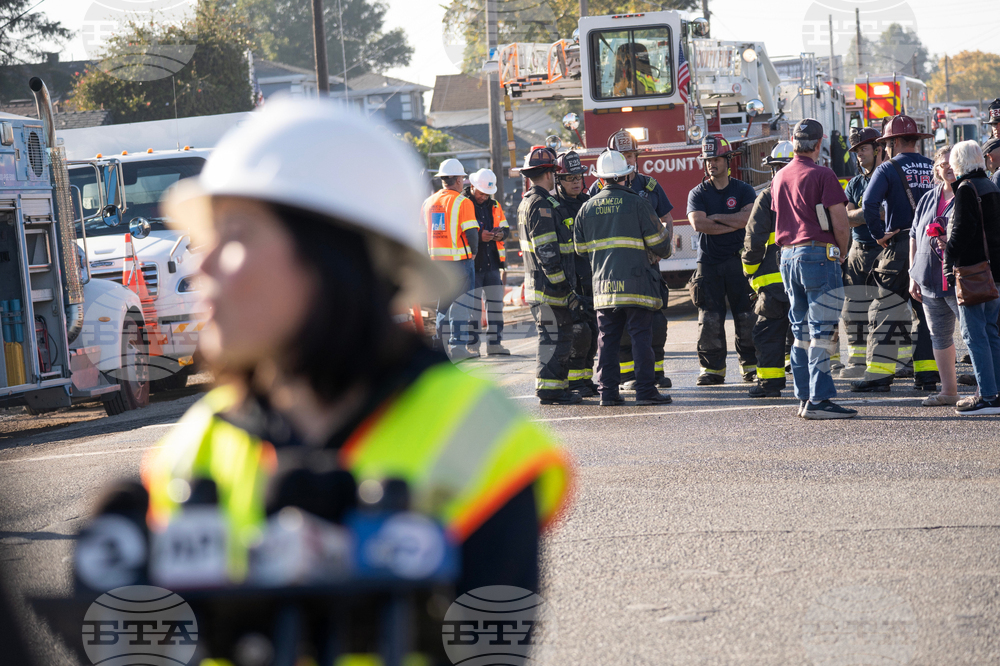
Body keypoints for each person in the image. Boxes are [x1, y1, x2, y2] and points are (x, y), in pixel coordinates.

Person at [141, 100, 572, 658]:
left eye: (237, 235)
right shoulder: (192, 448)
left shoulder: (480, 437)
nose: (201, 265)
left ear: (333, 255)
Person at [770, 118, 857, 419]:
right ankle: (819, 400)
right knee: (822, 330)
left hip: (788, 256)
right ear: (819, 144)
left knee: (800, 331)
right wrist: (842, 253)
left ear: (793, 142)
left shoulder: (779, 177)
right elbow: (841, 223)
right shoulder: (824, 174)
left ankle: (805, 397)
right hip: (818, 255)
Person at [574, 149, 673, 406]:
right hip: (637, 283)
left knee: (606, 340)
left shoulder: (586, 208)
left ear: (601, 178)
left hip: (604, 287)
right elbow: (661, 246)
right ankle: (645, 392)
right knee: (641, 337)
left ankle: (607, 394)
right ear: (626, 175)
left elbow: (580, 250)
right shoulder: (638, 203)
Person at [854, 114, 939, 393]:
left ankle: (879, 376)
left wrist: (879, 235)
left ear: (894, 141)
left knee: (886, 310)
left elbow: (869, 203)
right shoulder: (932, 167)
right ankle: (927, 375)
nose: (885, 149)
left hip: (899, 245)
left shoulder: (888, 167)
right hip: (930, 248)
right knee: (926, 312)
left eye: (887, 143)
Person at [687, 133, 758, 385]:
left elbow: (747, 219)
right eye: (707, 160)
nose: (711, 164)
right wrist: (732, 220)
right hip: (708, 264)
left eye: (716, 159)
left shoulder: (743, 190)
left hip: (740, 262)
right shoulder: (697, 193)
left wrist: (715, 217)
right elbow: (698, 223)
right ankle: (712, 371)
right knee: (709, 319)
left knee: (747, 317)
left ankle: (750, 367)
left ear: (728, 161)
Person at [518, 146, 581, 405]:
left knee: (557, 336)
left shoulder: (529, 201)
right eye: (555, 172)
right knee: (555, 337)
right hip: (549, 289)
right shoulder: (541, 205)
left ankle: (556, 388)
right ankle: (551, 390)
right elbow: (547, 252)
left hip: (541, 287)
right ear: (549, 174)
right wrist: (564, 289)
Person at [944, 140, 1000, 415]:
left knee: (973, 333)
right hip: (994, 271)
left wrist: (947, 257)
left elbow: (961, 234)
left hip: (973, 272)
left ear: (959, 162)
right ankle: (995, 391)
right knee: (991, 332)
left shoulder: (967, 189)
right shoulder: (990, 185)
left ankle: (987, 396)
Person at [909, 145, 961, 407]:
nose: (948, 167)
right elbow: (914, 236)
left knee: (977, 335)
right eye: (942, 164)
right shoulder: (928, 198)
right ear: (937, 170)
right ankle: (949, 392)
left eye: (952, 162)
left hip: (960, 280)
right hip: (928, 279)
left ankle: (988, 389)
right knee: (939, 336)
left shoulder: (968, 194)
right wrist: (912, 275)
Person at [743, 141, 793, 398]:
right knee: (806, 332)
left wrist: (749, 271)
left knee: (768, 334)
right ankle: (812, 385)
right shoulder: (813, 191)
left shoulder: (767, 195)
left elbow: (753, 240)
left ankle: (769, 385)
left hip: (773, 283)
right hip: (806, 276)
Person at [422, 158, 479, 359]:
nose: (463, 182)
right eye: (462, 178)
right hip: (460, 262)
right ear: (456, 180)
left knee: (443, 306)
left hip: (436, 262)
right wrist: (473, 253)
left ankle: (440, 346)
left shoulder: (428, 202)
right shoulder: (463, 202)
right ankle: (458, 349)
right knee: (461, 306)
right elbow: (472, 232)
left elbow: (423, 232)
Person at [840, 127, 884, 378]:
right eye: (856, 151)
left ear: (878, 149)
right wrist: (871, 212)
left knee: (887, 307)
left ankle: (895, 361)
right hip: (858, 251)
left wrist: (860, 215)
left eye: (863, 149)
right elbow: (846, 218)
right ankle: (857, 362)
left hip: (884, 250)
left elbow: (889, 214)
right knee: (853, 308)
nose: (859, 155)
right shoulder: (855, 183)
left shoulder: (889, 176)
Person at [554, 150, 597, 397]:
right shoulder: (555, 208)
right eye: (569, 177)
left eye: (578, 176)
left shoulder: (588, 203)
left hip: (591, 277)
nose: (576, 181)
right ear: (558, 180)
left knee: (592, 332)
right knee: (579, 334)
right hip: (570, 282)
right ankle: (573, 382)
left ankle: (586, 380)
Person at [465, 168, 511, 356]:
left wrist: (501, 234)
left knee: (495, 306)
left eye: (487, 193)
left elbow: (506, 227)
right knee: (473, 308)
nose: (484, 196)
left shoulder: (495, 205)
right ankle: (472, 346)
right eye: (481, 192)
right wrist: (478, 236)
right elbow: (459, 231)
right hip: (472, 264)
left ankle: (494, 344)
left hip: (492, 263)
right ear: (473, 187)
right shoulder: (464, 204)